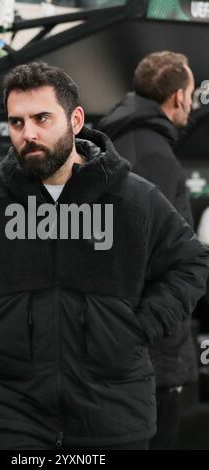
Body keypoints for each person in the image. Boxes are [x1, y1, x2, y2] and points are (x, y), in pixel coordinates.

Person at [0, 62, 209, 450]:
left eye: (42, 118)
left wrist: (138, 326)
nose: (28, 133)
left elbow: (190, 263)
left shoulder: (134, 198)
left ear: (76, 120)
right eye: (17, 123)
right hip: (19, 417)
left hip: (114, 414)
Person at [97, 51, 199, 449]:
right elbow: (155, 258)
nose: (190, 103)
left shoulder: (120, 139)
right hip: (146, 358)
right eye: (190, 93)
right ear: (178, 97)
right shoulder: (153, 153)